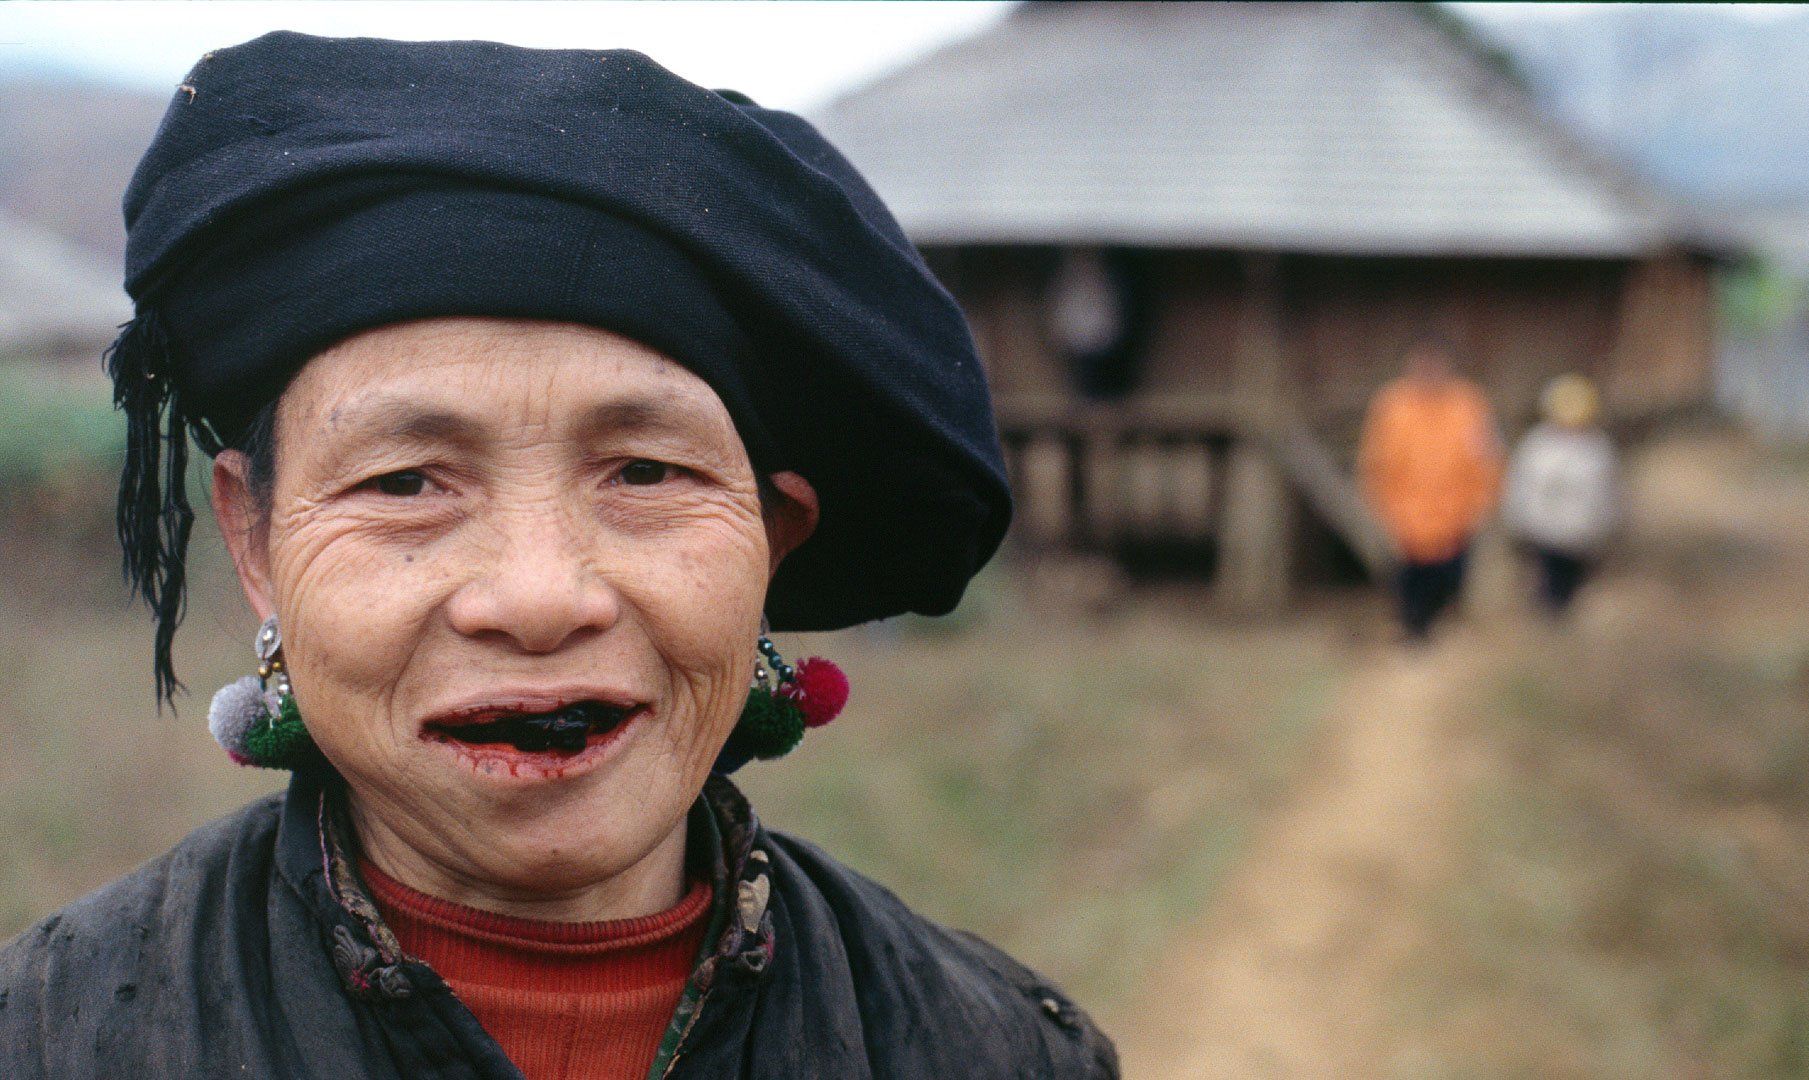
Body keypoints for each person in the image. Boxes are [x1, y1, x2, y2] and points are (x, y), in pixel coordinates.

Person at [0, 32, 1117, 1079]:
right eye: (405, 484)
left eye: (645, 473)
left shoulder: (992, 1048)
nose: (538, 599)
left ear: (773, 542)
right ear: (255, 538)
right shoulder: (50, 1036)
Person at [1358, 337, 1504, 640]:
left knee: (1450, 579)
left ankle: (1428, 627)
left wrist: (1484, 501)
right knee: (1409, 582)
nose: (1428, 371)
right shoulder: (1391, 405)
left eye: (1434, 364)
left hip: (1456, 515)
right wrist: (1381, 507)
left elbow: (1487, 456)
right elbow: (1375, 460)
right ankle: (1414, 633)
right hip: (1405, 516)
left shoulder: (1468, 404)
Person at [1502, 374, 1622, 615]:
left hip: (1579, 535)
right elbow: (1521, 485)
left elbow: (1607, 494)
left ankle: (1562, 612)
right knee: (1545, 580)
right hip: (1541, 531)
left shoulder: (1597, 449)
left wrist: (1605, 527)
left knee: (1570, 582)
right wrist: (1517, 520)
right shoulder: (1537, 444)